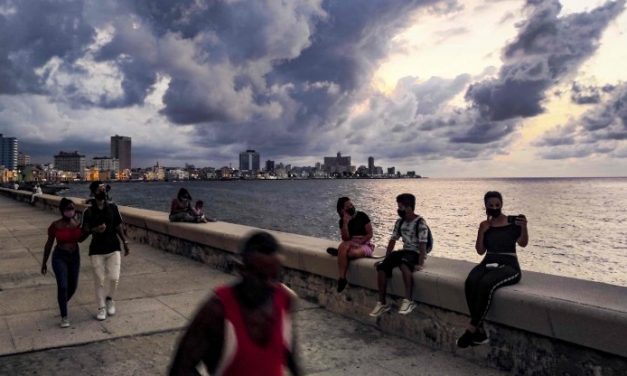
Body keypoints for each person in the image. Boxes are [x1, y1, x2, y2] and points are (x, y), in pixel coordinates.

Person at [169, 232, 300, 376]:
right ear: (242, 270)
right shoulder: (217, 310)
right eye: (261, 277)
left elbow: (289, 353)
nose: (270, 285)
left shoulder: (284, 299)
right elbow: (180, 368)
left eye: (275, 277)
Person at [456, 191, 528, 348]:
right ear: (486, 206)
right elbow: (480, 251)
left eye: (497, 205)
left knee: (486, 283)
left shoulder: (512, 222)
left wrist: (524, 227)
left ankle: (472, 328)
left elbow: (523, 243)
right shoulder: (485, 225)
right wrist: (481, 231)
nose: (494, 207)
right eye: (490, 205)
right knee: (471, 281)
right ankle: (480, 332)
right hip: (488, 260)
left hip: (509, 264)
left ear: (502, 205)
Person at [369, 193, 429, 317]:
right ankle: (382, 303)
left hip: (415, 253)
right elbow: (393, 240)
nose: (398, 209)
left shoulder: (420, 222)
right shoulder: (400, 222)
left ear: (409, 207)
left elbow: (423, 244)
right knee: (382, 267)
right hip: (405, 250)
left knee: (404, 265)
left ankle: (408, 300)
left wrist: (420, 263)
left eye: (400, 207)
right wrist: (387, 259)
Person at [81, 185, 130, 321]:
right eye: (99, 190)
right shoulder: (88, 212)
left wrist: (125, 242)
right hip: (97, 250)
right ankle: (101, 307)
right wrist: (94, 230)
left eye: (104, 190)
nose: (102, 192)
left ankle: (110, 299)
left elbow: (118, 225)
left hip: (113, 247)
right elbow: (83, 232)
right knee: (99, 280)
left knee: (114, 277)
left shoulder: (113, 208)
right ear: (93, 192)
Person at [41, 198, 84, 328]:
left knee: (73, 286)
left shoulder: (77, 223)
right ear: (62, 211)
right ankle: (64, 316)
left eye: (72, 208)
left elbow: (81, 239)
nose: (71, 211)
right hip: (60, 257)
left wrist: (92, 230)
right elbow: (48, 245)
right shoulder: (55, 226)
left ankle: (62, 303)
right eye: (68, 209)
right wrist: (44, 263)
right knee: (63, 285)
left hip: (74, 256)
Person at [326, 197, 374, 293]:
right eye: (347, 206)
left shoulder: (362, 216)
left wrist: (360, 243)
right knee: (344, 245)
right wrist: (345, 223)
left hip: (364, 243)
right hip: (350, 242)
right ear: (342, 210)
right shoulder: (342, 221)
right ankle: (342, 279)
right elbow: (346, 238)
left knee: (352, 253)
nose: (351, 207)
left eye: (351, 205)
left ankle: (341, 254)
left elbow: (370, 234)